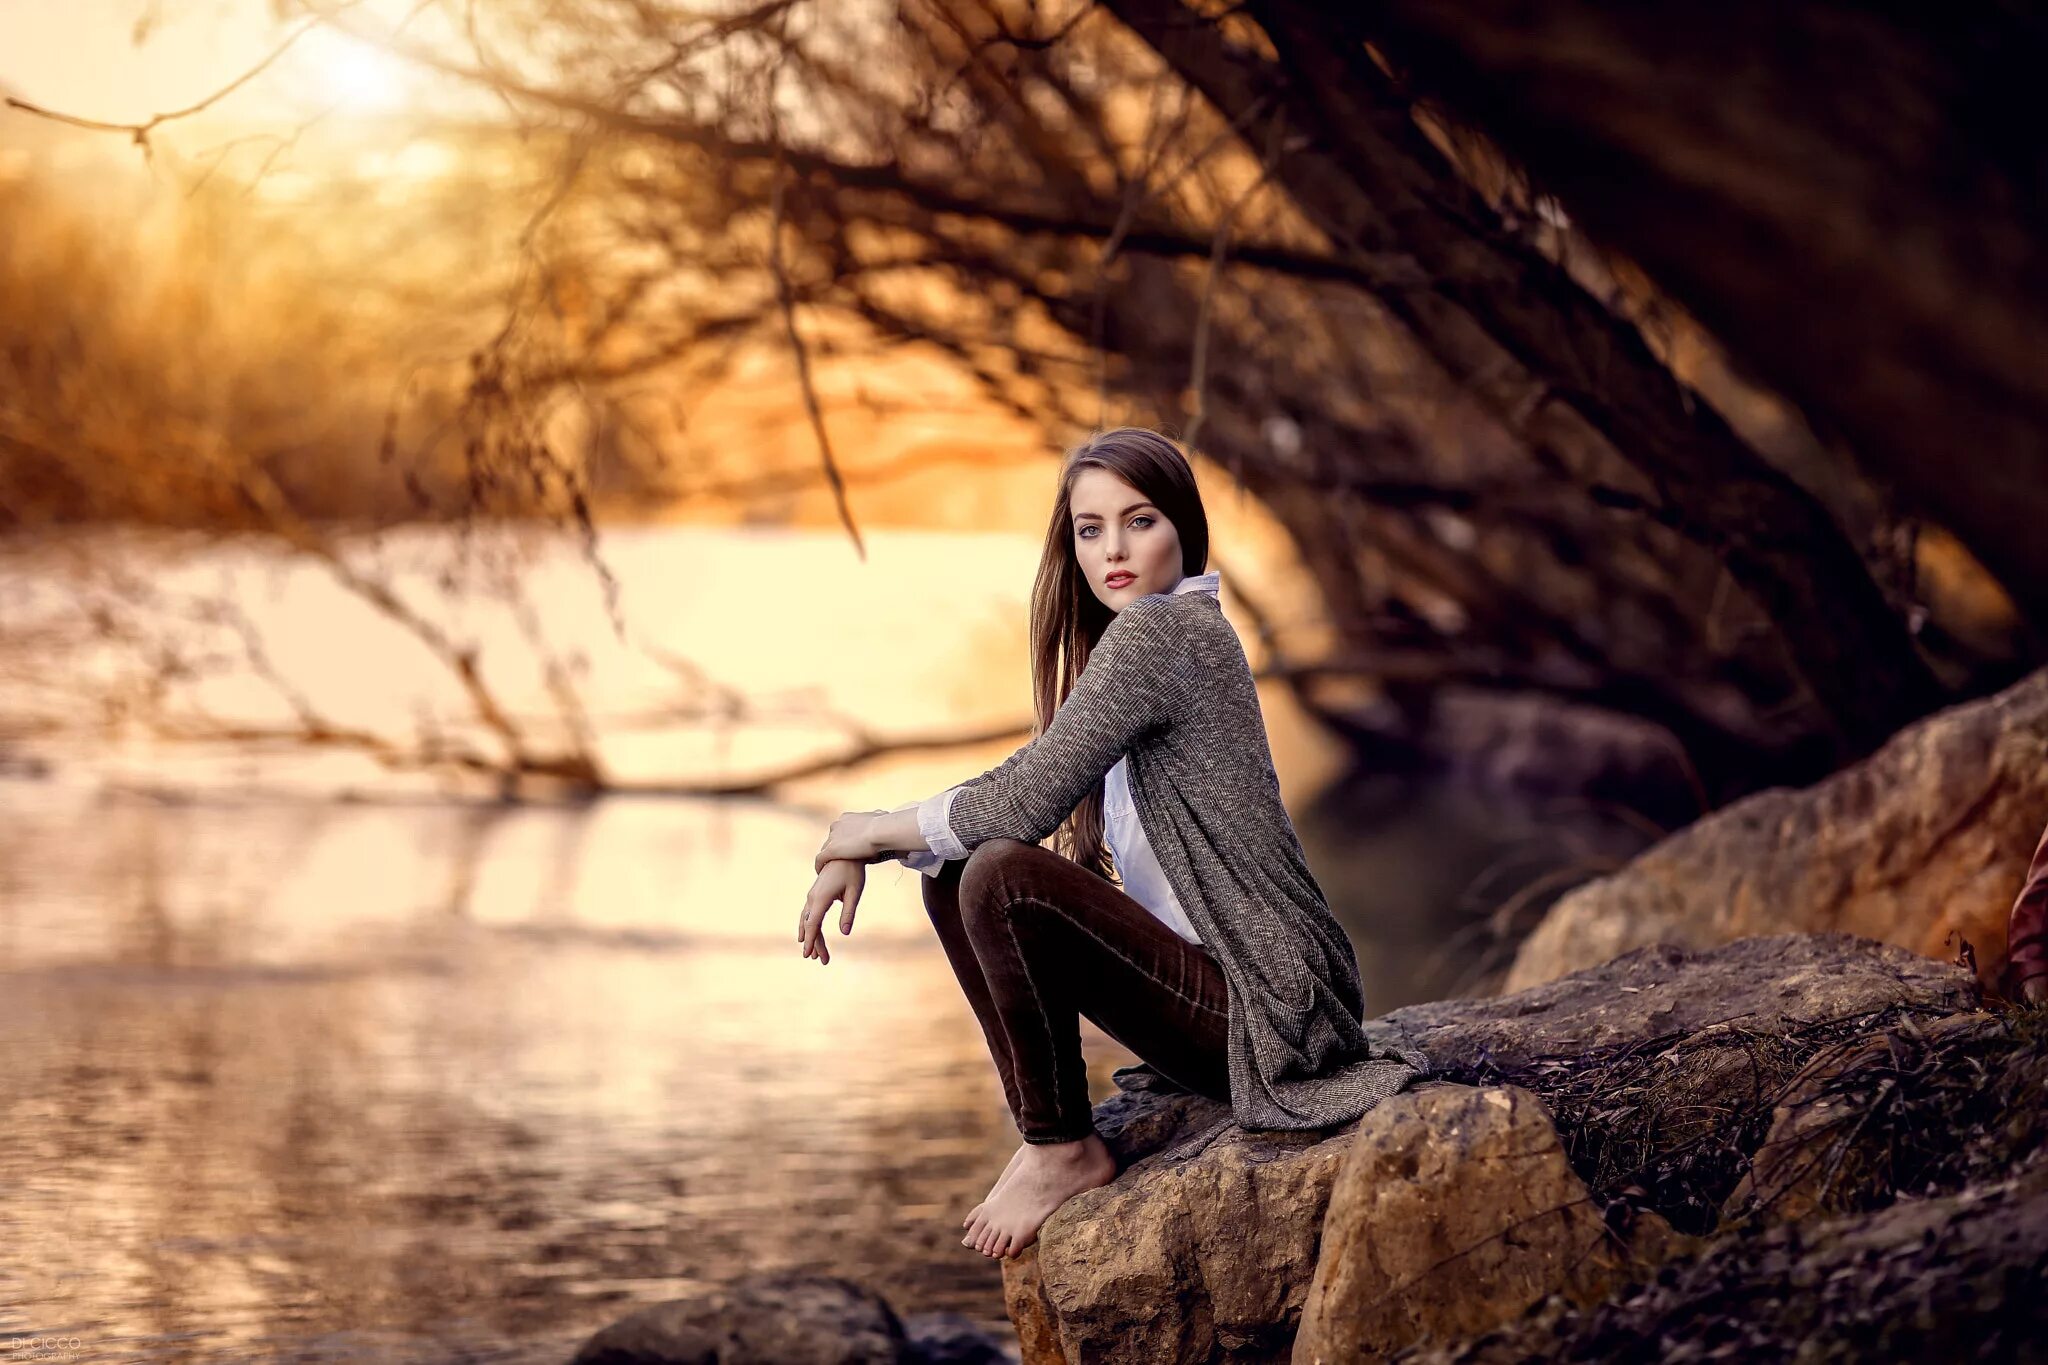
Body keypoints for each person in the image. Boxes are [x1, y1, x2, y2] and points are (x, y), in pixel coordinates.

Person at [794, 427, 1429, 1260]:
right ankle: (1045, 1130)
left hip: (1269, 1010)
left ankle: (1061, 1146)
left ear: (1184, 532)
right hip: (1244, 992)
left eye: (1140, 521)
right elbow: (1023, 779)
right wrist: (878, 839)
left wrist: (862, 831)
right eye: (1090, 529)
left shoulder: (1166, 635)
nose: (1114, 549)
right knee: (956, 871)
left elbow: (1021, 803)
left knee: (999, 873)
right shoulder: (1152, 639)